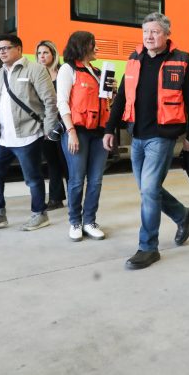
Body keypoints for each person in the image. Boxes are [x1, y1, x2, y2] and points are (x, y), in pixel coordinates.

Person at [103, 13, 189, 268]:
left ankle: (148, 247)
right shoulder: (134, 60)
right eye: (145, 31)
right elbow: (122, 96)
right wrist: (109, 128)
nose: (149, 36)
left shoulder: (182, 60)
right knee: (149, 189)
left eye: (155, 31)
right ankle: (182, 214)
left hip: (163, 135)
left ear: (167, 34)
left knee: (148, 190)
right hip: (137, 135)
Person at [0, 34, 58, 232]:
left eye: (6, 48)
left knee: (32, 177)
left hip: (28, 136)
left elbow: (50, 101)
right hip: (2, 138)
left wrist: (48, 129)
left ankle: (40, 214)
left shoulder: (36, 70)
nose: (2, 52)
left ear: (19, 49)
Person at [57, 31, 111, 241]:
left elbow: (104, 104)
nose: (96, 48)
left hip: (99, 133)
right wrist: (71, 132)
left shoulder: (97, 72)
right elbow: (62, 102)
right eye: (93, 44)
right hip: (77, 131)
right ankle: (75, 222)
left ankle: (89, 221)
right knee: (77, 180)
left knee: (96, 180)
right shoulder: (67, 69)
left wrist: (111, 93)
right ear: (82, 46)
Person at [37, 40, 67, 210]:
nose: (42, 56)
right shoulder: (37, 75)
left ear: (53, 54)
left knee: (68, 163)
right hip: (47, 125)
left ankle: (75, 197)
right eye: (39, 53)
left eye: (45, 52)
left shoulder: (63, 72)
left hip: (64, 123)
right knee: (52, 162)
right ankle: (56, 199)